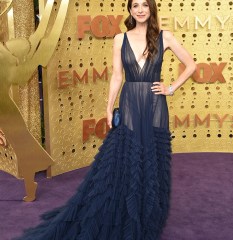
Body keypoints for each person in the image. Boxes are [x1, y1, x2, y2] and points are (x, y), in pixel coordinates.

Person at [15, 0, 196, 239]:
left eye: (144, 5)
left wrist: (170, 88)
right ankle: (125, 211)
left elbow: (191, 64)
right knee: (127, 158)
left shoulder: (166, 37)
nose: (140, 9)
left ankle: (148, 213)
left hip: (155, 106)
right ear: (130, 10)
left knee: (152, 158)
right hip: (130, 102)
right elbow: (117, 76)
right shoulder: (120, 39)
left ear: (151, 8)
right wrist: (109, 108)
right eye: (135, 6)